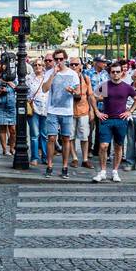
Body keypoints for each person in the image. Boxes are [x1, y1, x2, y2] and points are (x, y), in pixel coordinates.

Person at [93, 60, 136, 183]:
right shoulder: (105, 85)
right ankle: (103, 171)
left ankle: (115, 171)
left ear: (121, 72)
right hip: (106, 119)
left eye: (117, 72)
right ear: (110, 73)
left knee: (118, 146)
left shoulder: (126, 87)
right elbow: (91, 97)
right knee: (103, 146)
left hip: (121, 120)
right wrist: (97, 112)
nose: (115, 74)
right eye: (113, 72)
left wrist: (130, 111)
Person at [41, 49, 80, 179]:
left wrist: (72, 92)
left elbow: (78, 93)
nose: (58, 61)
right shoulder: (49, 73)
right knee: (51, 138)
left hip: (67, 111)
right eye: (56, 59)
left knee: (66, 139)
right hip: (52, 110)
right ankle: (50, 165)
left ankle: (64, 166)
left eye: (61, 59)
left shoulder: (73, 74)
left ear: (65, 59)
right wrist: (53, 75)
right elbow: (44, 89)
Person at [70, 63, 95, 170]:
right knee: (70, 136)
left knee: (85, 136)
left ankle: (85, 159)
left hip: (84, 110)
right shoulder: (67, 78)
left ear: (81, 66)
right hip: (69, 111)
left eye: (76, 64)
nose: (74, 66)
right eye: (72, 64)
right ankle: (74, 158)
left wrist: (92, 110)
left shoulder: (86, 78)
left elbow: (90, 95)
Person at [0, 60, 17, 157]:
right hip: (0, 107)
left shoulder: (14, 82)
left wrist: (12, 85)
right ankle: (5, 149)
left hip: (11, 108)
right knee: (3, 130)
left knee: (13, 130)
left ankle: (12, 148)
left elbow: (21, 91)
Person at [26, 58, 49, 165]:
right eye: (35, 65)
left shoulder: (47, 77)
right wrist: (28, 99)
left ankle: (45, 156)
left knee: (44, 134)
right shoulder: (28, 78)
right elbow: (23, 91)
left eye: (40, 65)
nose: (37, 67)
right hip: (33, 108)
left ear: (43, 66)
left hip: (45, 108)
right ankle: (34, 157)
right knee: (34, 134)